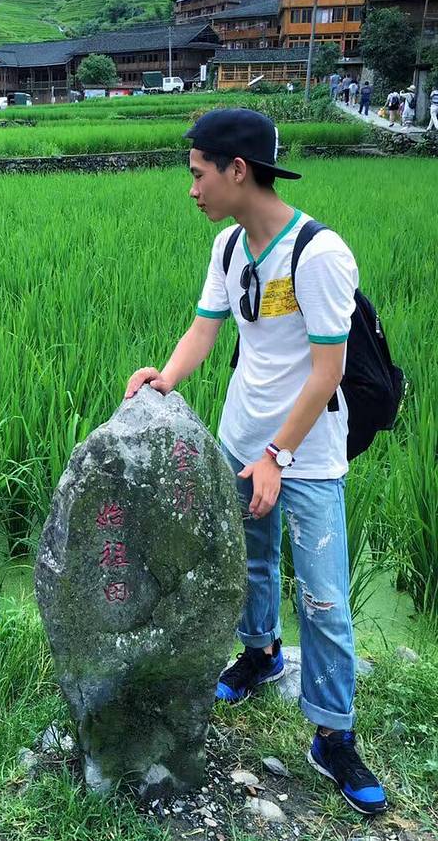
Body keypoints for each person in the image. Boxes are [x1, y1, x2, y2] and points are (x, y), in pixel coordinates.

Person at [124, 108, 387, 818]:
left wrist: (279, 454)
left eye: (197, 174)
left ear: (237, 171)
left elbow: (328, 372)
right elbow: (205, 329)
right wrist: (166, 378)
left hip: (307, 455)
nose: (192, 189)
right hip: (241, 440)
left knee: (325, 599)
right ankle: (261, 653)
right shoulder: (229, 247)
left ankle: (332, 735)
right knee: (253, 563)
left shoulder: (319, 254)